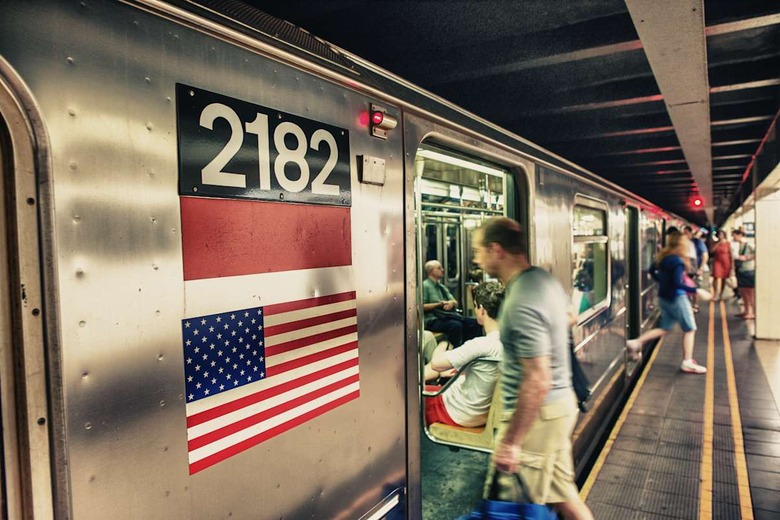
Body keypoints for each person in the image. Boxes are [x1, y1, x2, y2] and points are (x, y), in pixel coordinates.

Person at [472, 217, 593, 520]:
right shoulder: (542, 280)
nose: (476, 259)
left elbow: (538, 379)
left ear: (496, 250)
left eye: (479, 251)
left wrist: (511, 442)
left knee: (509, 511)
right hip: (560, 407)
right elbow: (569, 317)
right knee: (565, 499)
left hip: (538, 417)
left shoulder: (519, 300)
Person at [424, 281, 505, 428]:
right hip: (482, 414)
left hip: (457, 412)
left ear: (481, 309)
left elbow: (436, 363)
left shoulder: (481, 345)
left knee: (413, 391)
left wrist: (443, 346)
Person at [626, 232, 707, 374]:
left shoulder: (663, 257)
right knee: (690, 329)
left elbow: (652, 270)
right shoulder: (678, 261)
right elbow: (677, 283)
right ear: (681, 245)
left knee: (665, 328)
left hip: (664, 298)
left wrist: (662, 282)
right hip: (677, 298)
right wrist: (695, 290)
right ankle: (687, 361)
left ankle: (636, 342)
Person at [422, 260, 481, 348]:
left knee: (474, 322)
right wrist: (439, 305)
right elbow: (421, 306)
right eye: (439, 268)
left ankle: (470, 349)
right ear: (431, 271)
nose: (442, 270)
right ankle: (456, 351)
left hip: (447, 316)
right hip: (433, 319)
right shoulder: (425, 286)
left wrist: (451, 304)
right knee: (455, 325)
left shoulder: (441, 286)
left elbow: (455, 302)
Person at [732, 228, 756, 319]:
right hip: (740, 270)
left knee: (750, 293)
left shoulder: (750, 244)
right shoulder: (737, 245)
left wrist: (747, 257)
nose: (733, 237)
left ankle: (753, 312)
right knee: (743, 292)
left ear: (740, 235)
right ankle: (746, 311)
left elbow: (757, 253)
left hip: (748, 270)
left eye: (734, 235)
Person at [709, 230, 732, 301]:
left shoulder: (728, 244)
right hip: (717, 261)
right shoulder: (715, 243)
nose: (720, 236)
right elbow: (711, 251)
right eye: (719, 235)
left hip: (726, 262)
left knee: (723, 279)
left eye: (722, 235)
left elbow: (731, 254)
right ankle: (716, 294)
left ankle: (720, 294)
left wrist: (732, 265)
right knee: (717, 278)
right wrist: (718, 244)